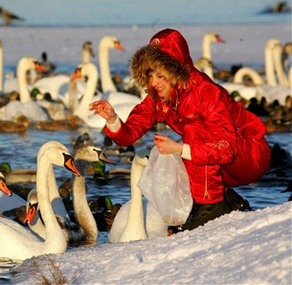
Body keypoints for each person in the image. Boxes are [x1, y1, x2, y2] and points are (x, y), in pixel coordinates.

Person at [89, 29, 271, 232]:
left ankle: (212, 205)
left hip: (250, 154)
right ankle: (227, 201)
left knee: (191, 133)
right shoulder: (160, 97)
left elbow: (226, 148)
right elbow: (129, 135)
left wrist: (180, 149)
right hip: (220, 159)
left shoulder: (206, 93)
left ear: (176, 71)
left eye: (160, 75)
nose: (154, 83)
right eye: (150, 76)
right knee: (171, 153)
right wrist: (113, 119)